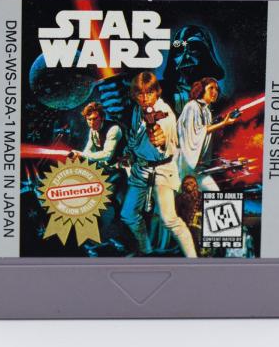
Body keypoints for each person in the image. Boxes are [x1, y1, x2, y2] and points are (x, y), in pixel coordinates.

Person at [120, 71, 197, 257]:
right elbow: (134, 137)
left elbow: (162, 138)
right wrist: (128, 153)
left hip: (162, 169)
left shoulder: (165, 115)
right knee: (128, 214)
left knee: (169, 219)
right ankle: (146, 251)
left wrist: (159, 139)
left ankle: (193, 259)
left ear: (157, 92)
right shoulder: (137, 110)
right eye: (140, 93)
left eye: (149, 93)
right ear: (134, 95)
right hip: (140, 169)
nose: (145, 98)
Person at [70, 102, 127, 256]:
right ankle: (97, 239)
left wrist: (82, 155)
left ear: (101, 117)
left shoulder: (113, 129)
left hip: (122, 171)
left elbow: (107, 155)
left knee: (110, 204)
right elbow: (88, 150)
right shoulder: (93, 131)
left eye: (95, 119)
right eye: (89, 120)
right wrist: (79, 156)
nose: (92, 123)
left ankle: (116, 238)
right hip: (107, 172)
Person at [177, 77, 238, 192]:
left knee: (213, 194)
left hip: (199, 166)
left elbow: (206, 134)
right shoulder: (192, 106)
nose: (215, 92)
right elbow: (197, 132)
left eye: (216, 89)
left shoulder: (207, 111)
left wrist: (221, 124)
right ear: (201, 90)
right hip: (187, 164)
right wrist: (222, 123)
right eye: (211, 88)